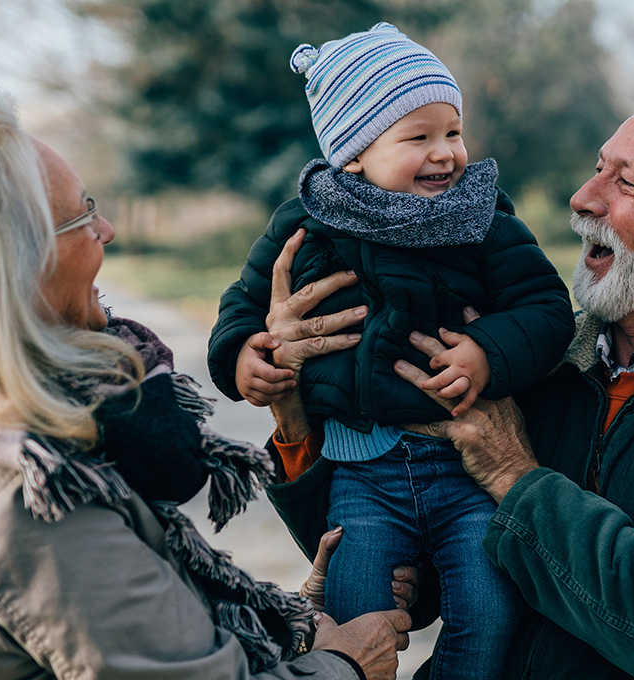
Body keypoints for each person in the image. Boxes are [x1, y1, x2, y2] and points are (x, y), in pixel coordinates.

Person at [256, 76, 634, 678]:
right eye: (598, 168)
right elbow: (391, 553)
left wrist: (512, 474)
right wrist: (294, 405)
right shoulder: (526, 358)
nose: (582, 198)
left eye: (626, 183)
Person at [0, 82, 416, 680]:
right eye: (80, 216)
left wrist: (291, 625)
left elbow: (147, 638)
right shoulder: (38, 506)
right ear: (9, 272)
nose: (105, 229)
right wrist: (345, 665)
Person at [207, 22, 574, 680]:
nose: (445, 154)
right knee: (355, 622)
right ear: (354, 153)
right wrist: (244, 358)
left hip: (467, 471)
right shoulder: (306, 223)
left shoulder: (482, 220)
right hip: (362, 479)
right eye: (418, 137)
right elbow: (243, 305)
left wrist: (487, 352)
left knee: (489, 611)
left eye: (453, 132)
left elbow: (545, 310)